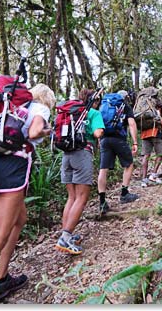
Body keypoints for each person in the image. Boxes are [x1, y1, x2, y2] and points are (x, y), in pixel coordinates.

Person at [0, 83, 56, 302]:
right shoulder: (40, 108)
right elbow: (35, 131)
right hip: (12, 167)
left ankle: (2, 278)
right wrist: (47, 130)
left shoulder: (12, 107)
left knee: (19, 218)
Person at [55, 89, 104, 255]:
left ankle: (66, 233)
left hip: (66, 155)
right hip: (82, 154)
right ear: (95, 101)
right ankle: (65, 238)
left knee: (72, 197)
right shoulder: (93, 113)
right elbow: (98, 133)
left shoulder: (70, 112)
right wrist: (100, 129)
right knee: (81, 198)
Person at [98, 90, 139, 215]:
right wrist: (135, 142)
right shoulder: (125, 106)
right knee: (129, 164)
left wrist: (100, 140)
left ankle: (102, 202)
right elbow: (131, 124)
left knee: (103, 169)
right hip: (119, 139)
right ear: (125, 98)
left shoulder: (104, 105)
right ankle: (124, 193)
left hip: (104, 139)